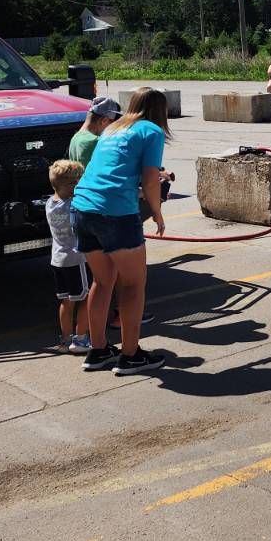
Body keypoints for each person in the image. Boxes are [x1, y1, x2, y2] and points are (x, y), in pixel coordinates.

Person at [70, 88, 170, 375]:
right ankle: (130, 355)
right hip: (115, 213)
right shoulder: (151, 131)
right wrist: (157, 212)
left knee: (102, 282)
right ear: (160, 111)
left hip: (82, 208)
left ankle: (98, 350)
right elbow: (150, 180)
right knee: (133, 284)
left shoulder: (112, 128)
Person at [46, 159, 90, 355]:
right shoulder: (74, 205)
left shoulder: (50, 203)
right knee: (86, 299)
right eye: (77, 181)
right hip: (76, 259)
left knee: (66, 301)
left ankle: (65, 339)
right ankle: (80, 338)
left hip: (58, 259)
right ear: (69, 185)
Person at [68, 96, 121, 164]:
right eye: (113, 123)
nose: (113, 128)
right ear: (104, 120)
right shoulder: (95, 142)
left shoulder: (75, 137)